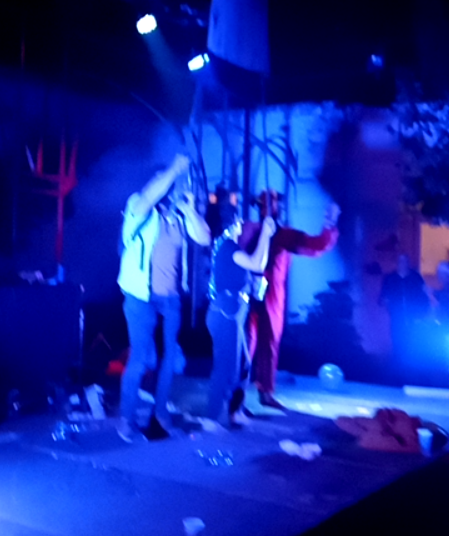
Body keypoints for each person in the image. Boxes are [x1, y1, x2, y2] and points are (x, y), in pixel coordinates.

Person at [117, 154, 211, 441]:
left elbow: (204, 238)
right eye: (165, 183)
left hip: (170, 300)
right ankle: (126, 419)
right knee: (140, 358)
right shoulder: (137, 207)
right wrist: (174, 169)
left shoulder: (178, 218)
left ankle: (160, 414)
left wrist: (190, 210)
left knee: (170, 358)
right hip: (140, 298)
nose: (171, 188)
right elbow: (149, 195)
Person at [239, 190, 340, 411]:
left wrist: (329, 223)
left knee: (269, 343)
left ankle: (265, 392)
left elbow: (315, 246)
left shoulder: (284, 235)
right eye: (265, 204)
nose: (270, 207)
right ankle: (237, 396)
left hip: (273, 297)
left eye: (273, 203)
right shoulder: (251, 231)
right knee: (246, 344)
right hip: (249, 295)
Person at [206, 204, 275, 426]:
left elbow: (257, 265)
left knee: (243, 363)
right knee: (226, 366)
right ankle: (213, 418)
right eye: (239, 221)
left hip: (233, 312)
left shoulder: (230, 247)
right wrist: (265, 234)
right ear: (233, 223)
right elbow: (255, 263)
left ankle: (234, 411)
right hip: (225, 312)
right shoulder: (228, 247)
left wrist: (266, 237)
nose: (242, 225)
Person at [379, 253, 429, 380]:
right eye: (400, 261)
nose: (403, 264)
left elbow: (424, 297)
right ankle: (397, 372)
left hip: (413, 318)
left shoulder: (416, 277)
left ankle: (411, 371)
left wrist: (422, 313)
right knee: (397, 341)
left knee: (411, 342)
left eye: (405, 261)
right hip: (397, 317)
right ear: (397, 263)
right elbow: (382, 297)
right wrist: (386, 303)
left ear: (408, 263)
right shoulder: (390, 278)